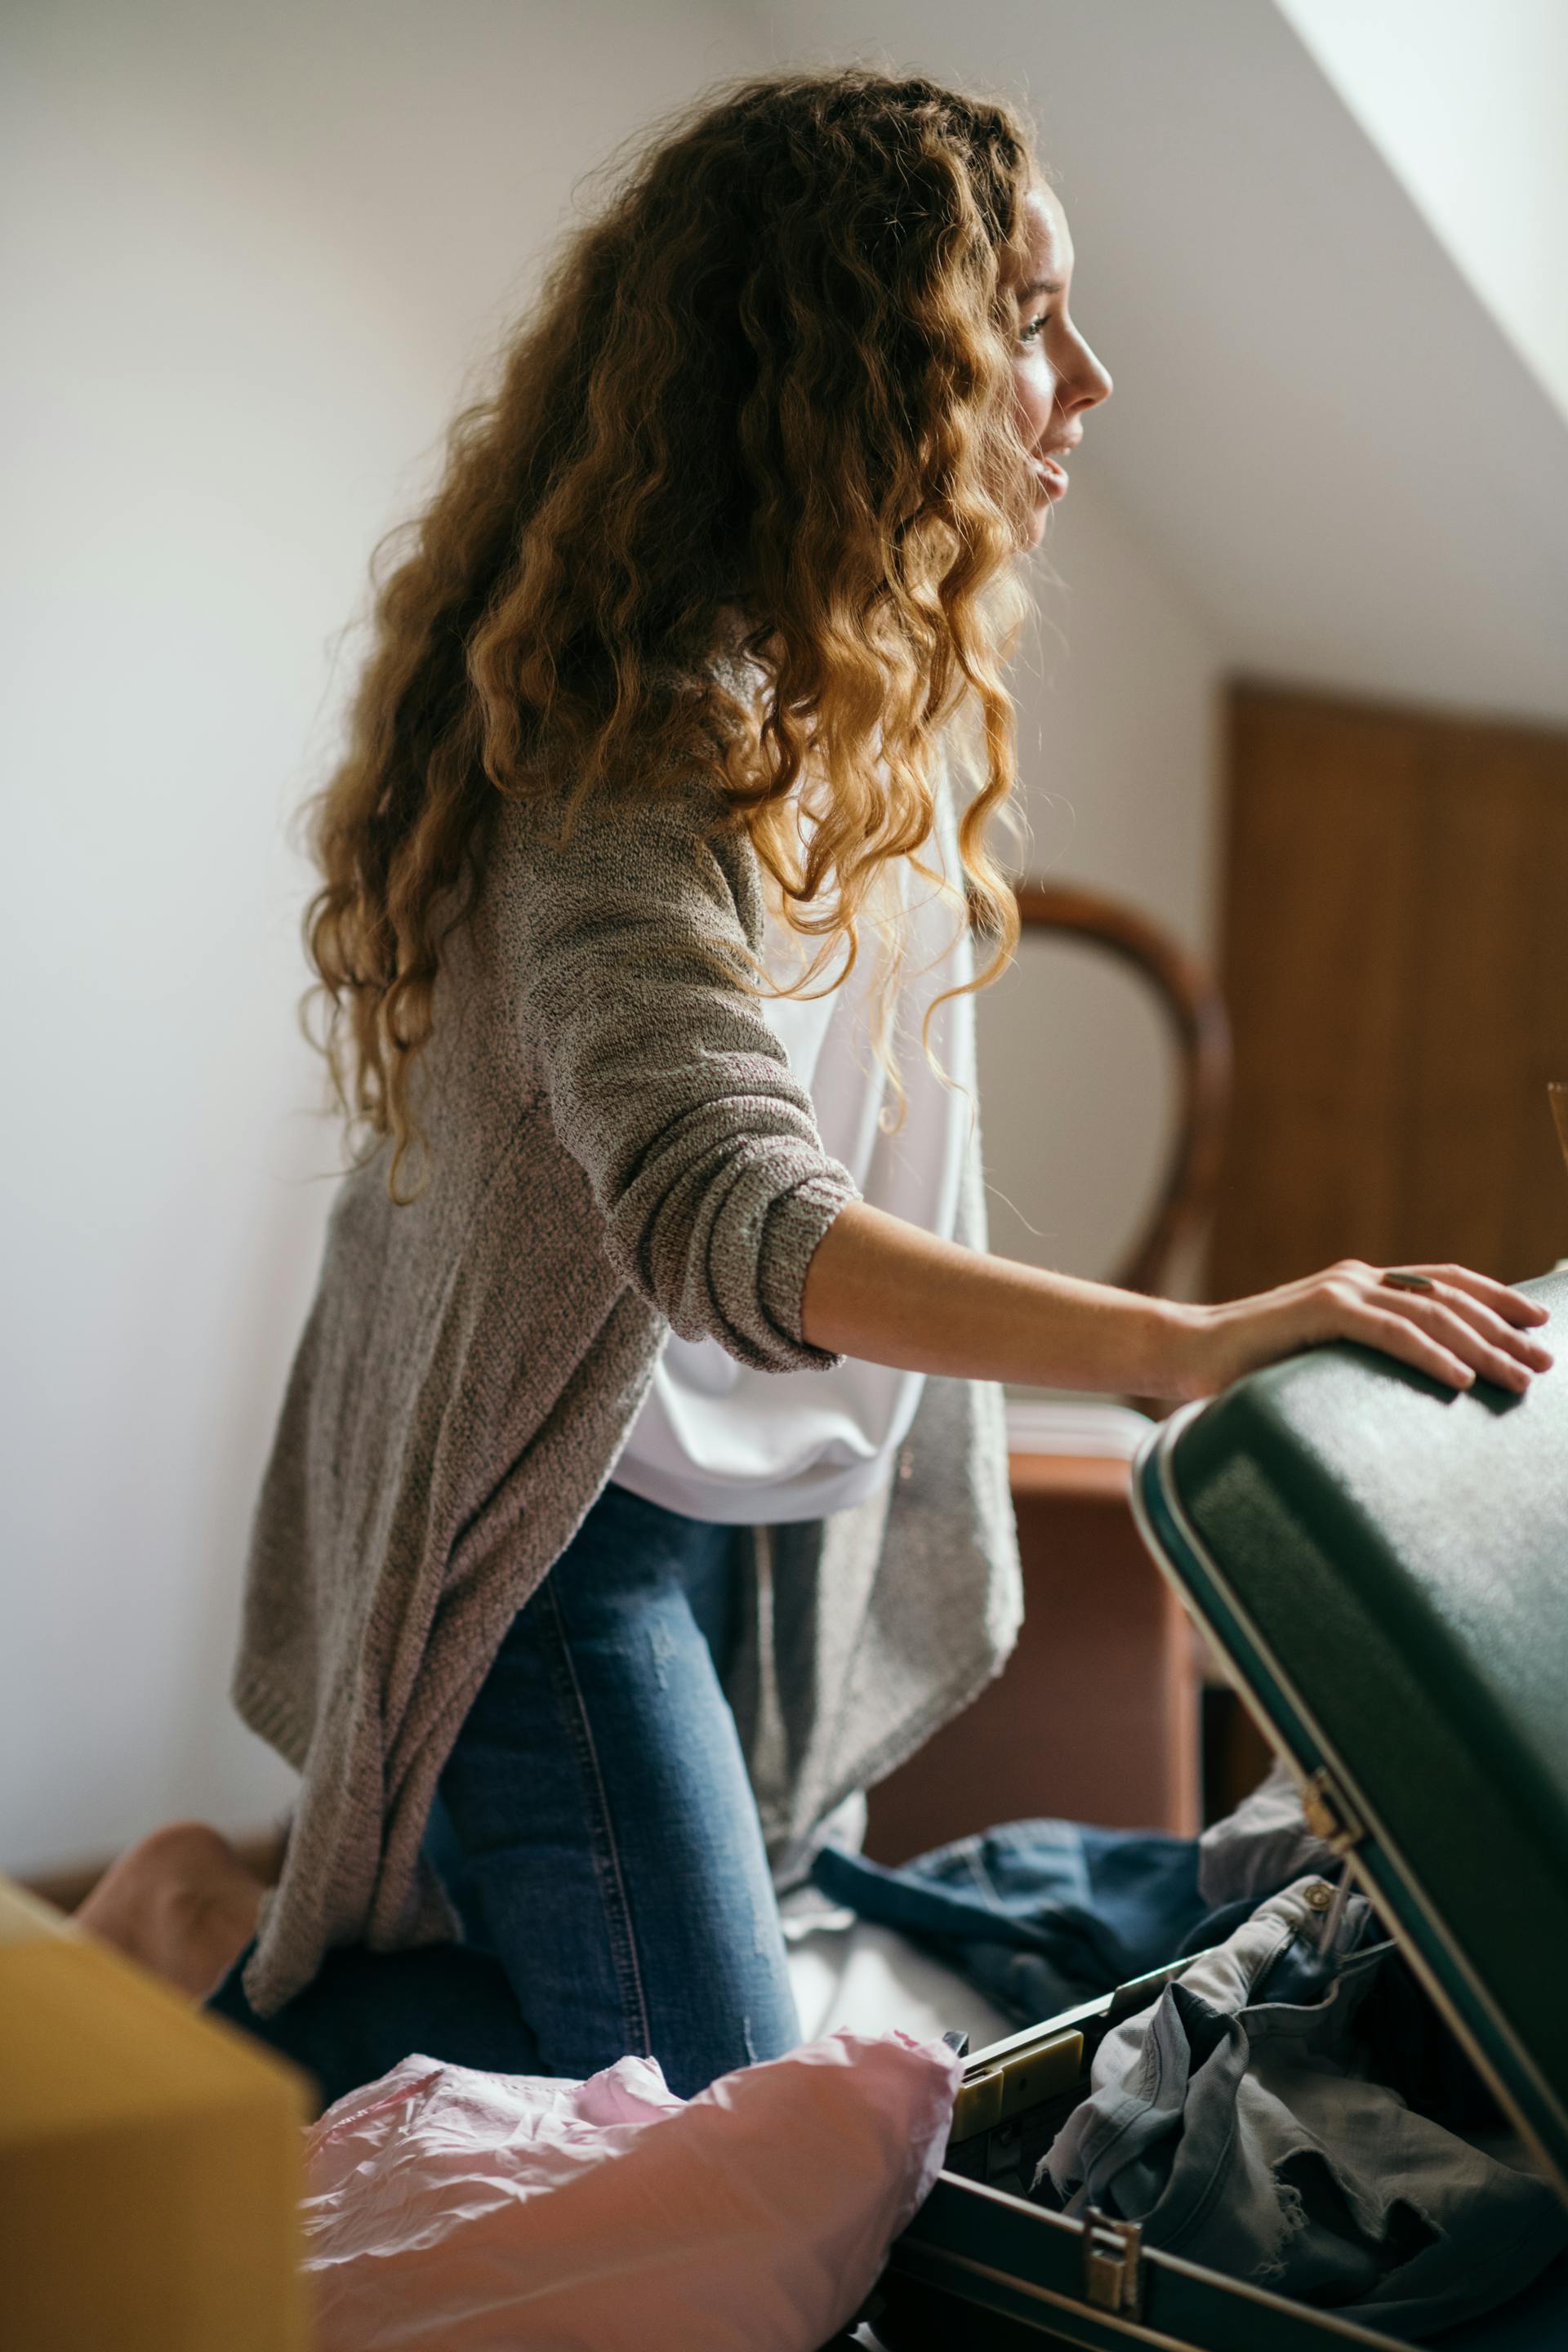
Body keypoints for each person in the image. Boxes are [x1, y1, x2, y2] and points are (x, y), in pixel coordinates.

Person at [80, 68, 1548, 2112]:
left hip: (736, 1525)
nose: (1094, 381)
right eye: (1030, 323)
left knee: (814, 2001)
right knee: (737, 2142)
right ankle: (207, 1965)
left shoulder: (875, 689)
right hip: (563, 1557)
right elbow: (726, 1211)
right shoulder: (625, 752)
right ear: (869, 372)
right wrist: (1185, 1343)